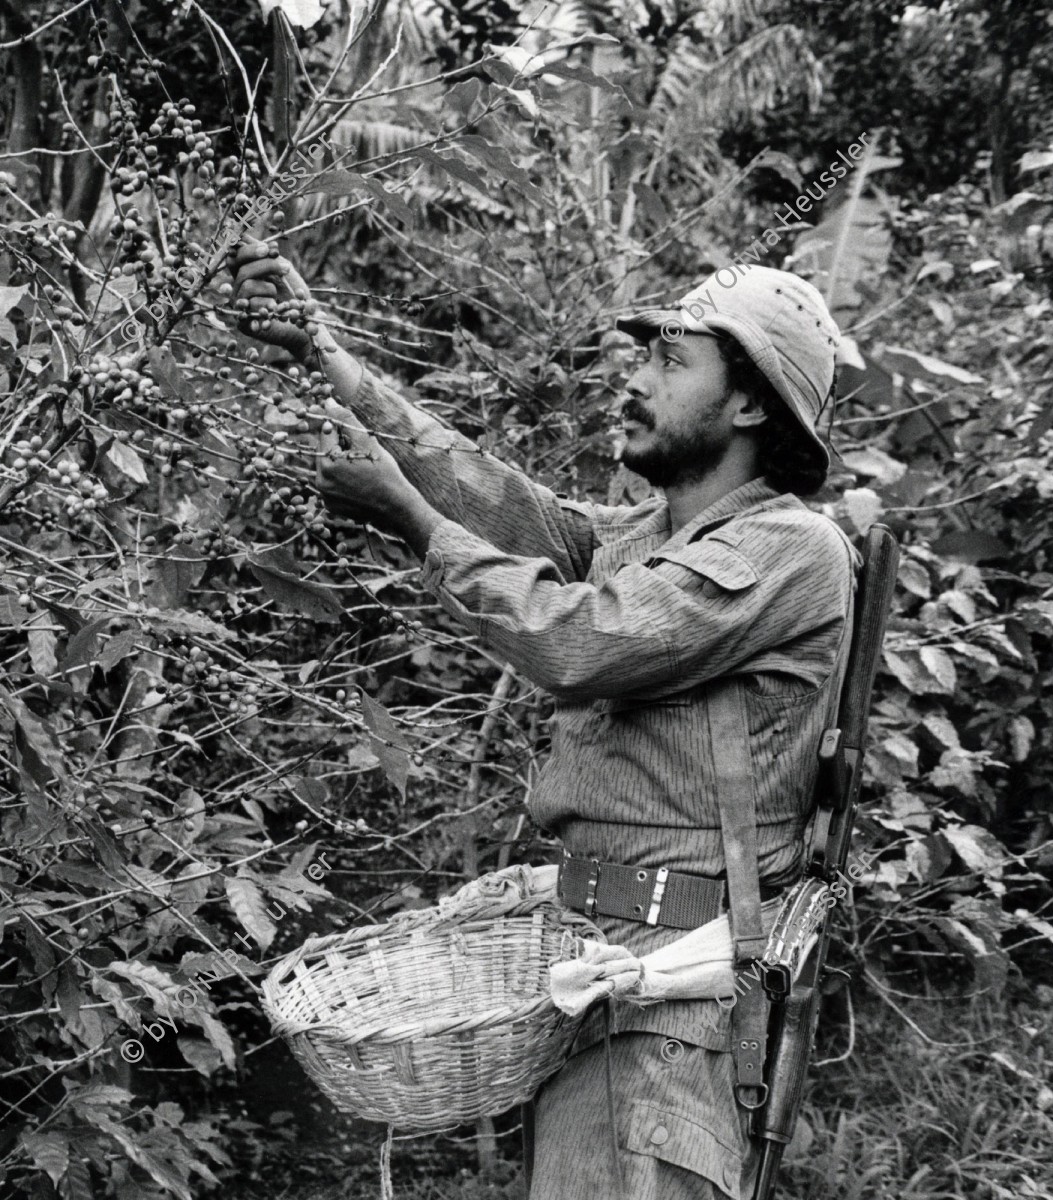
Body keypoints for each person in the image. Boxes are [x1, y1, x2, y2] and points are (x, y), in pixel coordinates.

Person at [231, 242, 858, 1200]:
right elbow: (497, 502)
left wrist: (409, 523)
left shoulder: (790, 549)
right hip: (595, 969)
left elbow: (581, 640)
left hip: (672, 1003)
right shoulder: (650, 538)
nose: (635, 379)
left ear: (749, 404)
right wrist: (332, 361)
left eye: (670, 361)